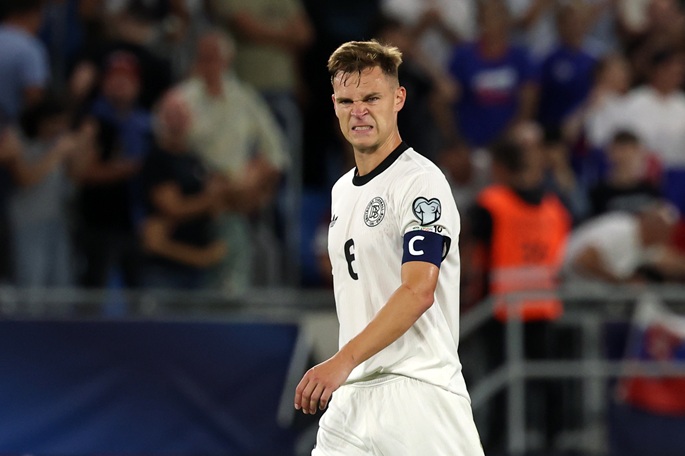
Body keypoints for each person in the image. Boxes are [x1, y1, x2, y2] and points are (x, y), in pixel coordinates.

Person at [293, 40, 483, 455]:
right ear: (334, 105)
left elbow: (418, 290)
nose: (358, 111)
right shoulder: (342, 191)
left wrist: (342, 360)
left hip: (418, 394)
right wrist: (347, 366)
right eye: (347, 101)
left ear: (398, 99)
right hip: (351, 398)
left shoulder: (420, 182)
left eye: (371, 98)